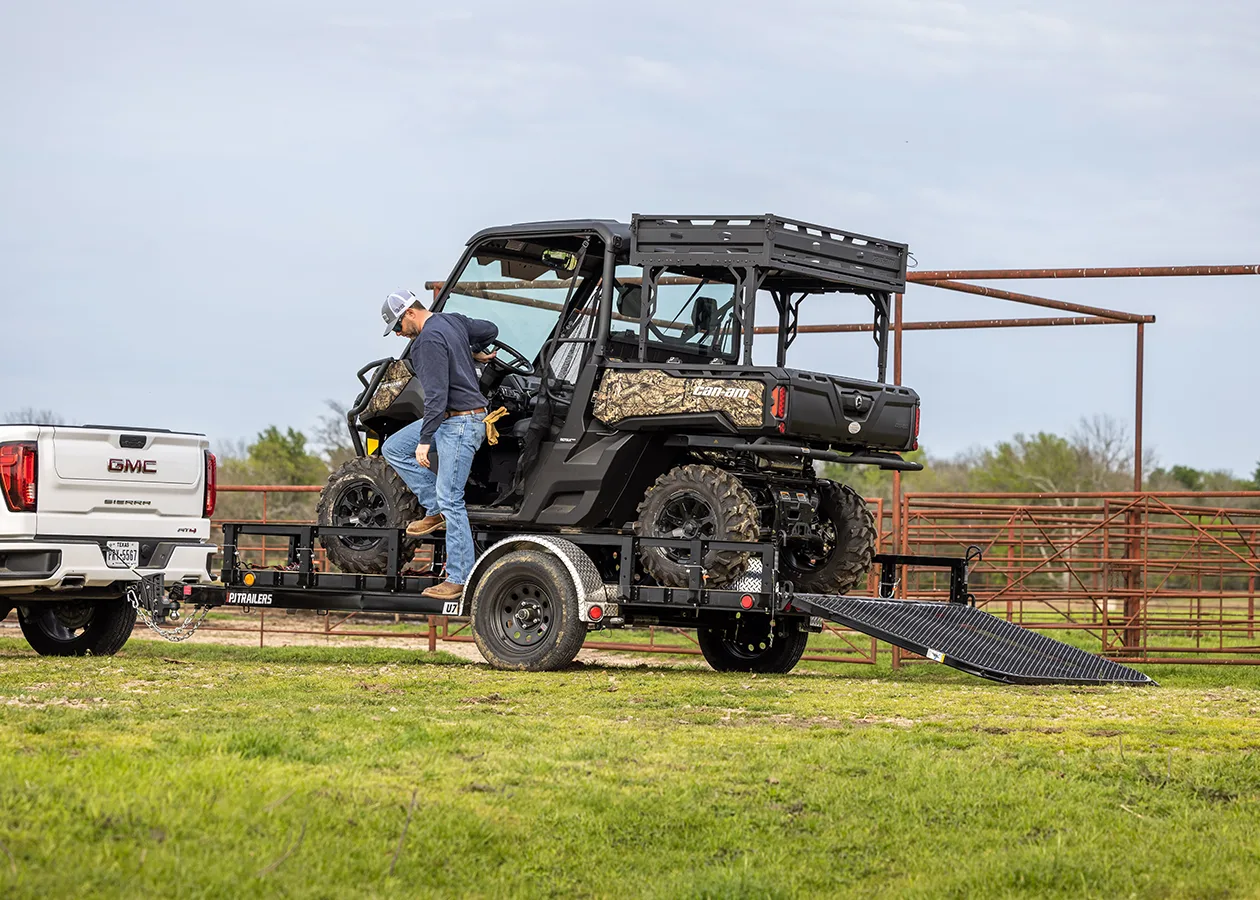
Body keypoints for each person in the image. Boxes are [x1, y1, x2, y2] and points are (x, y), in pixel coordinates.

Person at [378, 289, 498, 601]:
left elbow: (436, 396)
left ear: (410, 313)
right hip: (456, 418)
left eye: (398, 326)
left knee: (452, 499)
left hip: (458, 423)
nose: (399, 333)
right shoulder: (452, 322)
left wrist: (424, 440)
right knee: (393, 448)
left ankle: (458, 578)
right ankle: (435, 508)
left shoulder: (426, 342)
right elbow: (490, 330)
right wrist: (471, 352)